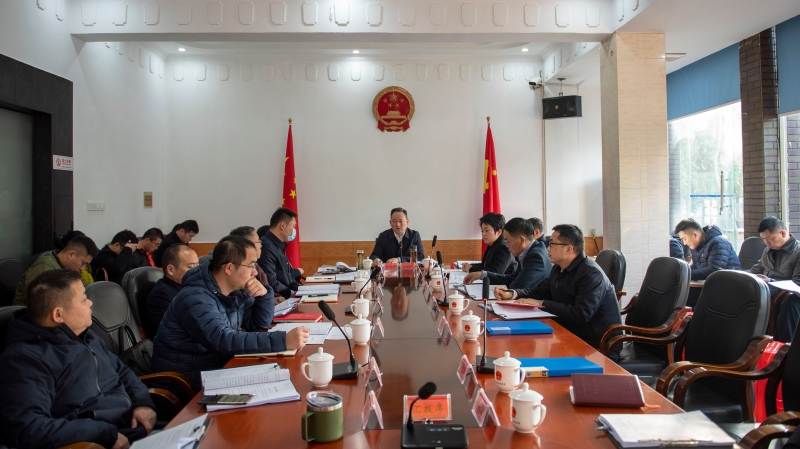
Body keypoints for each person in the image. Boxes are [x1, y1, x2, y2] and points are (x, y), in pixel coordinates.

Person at [0, 270, 157, 449]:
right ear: (58, 315)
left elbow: (122, 371)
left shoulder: (86, 337)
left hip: (133, 430)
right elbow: (28, 428)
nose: (90, 303)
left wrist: (142, 403)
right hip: (97, 443)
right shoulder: (24, 360)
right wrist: (104, 434)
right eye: (83, 299)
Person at [152, 235, 309, 387]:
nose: (255, 272)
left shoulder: (235, 290)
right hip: (188, 382)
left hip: (218, 369)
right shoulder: (195, 297)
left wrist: (264, 295)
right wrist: (283, 340)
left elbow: (258, 324)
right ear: (229, 268)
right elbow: (223, 340)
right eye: (251, 266)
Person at [494, 224, 623, 360]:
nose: (547, 249)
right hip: (569, 333)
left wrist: (542, 303)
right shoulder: (558, 268)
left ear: (568, 249)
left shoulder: (591, 274)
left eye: (552, 244)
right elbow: (540, 292)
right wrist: (512, 293)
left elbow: (581, 314)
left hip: (597, 345)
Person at [747, 216, 800, 343]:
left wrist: (771, 282)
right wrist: (738, 276)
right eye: (763, 239)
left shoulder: (797, 252)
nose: (766, 243)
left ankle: (777, 345)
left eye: (769, 239)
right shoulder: (768, 251)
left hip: (783, 292)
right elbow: (755, 269)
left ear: (783, 233)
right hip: (766, 287)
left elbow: (796, 283)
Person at [463, 217, 552, 290]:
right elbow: (511, 278)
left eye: (508, 241)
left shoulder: (536, 256)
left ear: (521, 240)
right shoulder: (529, 252)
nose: (506, 245)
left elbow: (516, 286)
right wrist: (482, 274)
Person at [14, 235, 99, 306]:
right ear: (71, 254)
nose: (82, 268)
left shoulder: (64, 267)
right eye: (83, 263)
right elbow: (40, 301)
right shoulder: (45, 267)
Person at [675, 218, 741, 307]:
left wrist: (686, 274)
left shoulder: (718, 242)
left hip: (726, 286)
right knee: (678, 292)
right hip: (708, 285)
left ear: (694, 235)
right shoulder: (697, 245)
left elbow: (714, 270)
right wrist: (683, 272)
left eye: (685, 239)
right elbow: (696, 266)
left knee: (683, 297)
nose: (685, 243)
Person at [145, 243, 199, 337]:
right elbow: (172, 333)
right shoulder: (160, 295)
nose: (197, 271)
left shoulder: (191, 287)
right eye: (190, 267)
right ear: (171, 269)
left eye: (197, 266)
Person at [231, 226, 286, 304]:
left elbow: (264, 288)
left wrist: (274, 297)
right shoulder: (240, 270)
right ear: (248, 245)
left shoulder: (256, 265)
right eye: (258, 242)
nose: (261, 245)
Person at [258, 208, 305, 299]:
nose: (294, 230)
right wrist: (293, 293)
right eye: (293, 226)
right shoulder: (266, 246)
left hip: (290, 293)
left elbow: (287, 275)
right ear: (283, 226)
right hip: (282, 298)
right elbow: (271, 281)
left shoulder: (279, 245)